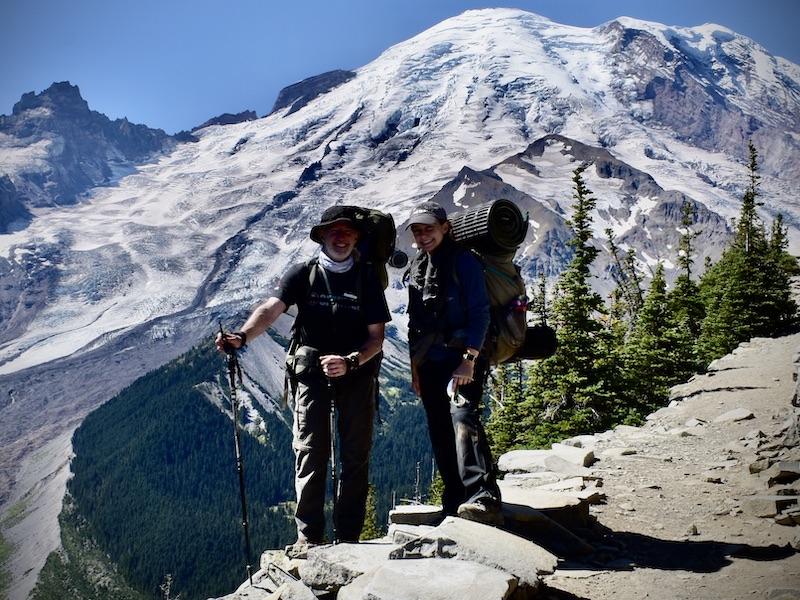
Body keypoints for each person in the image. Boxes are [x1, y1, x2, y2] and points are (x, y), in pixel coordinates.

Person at [217, 205, 391, 551]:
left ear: (357, 237)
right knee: (310, 451)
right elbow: (270, 309)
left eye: (347, 232)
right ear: (322, 236)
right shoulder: (302, 273)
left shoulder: (367, 279)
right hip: (311, 375)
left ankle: (348, 538)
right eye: (334, 231)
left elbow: (376, 337)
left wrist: (351, 361)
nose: (341, 237)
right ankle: (309, 538)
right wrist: (242, 336)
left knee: (355, 455)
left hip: (356, 374)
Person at [405, 201, 504, 526]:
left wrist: (470, 359)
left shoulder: (465, 262)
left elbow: (480, 312)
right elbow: (415, 323)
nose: (422, 236)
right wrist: (414, 367)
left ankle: (483, 498)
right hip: (431, 362)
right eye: (417, 231)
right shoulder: (418, 267)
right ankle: (455, 499)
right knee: (440, 429)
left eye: (428, 229)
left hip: (463, 358)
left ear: (445, 228)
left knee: (464, 419)